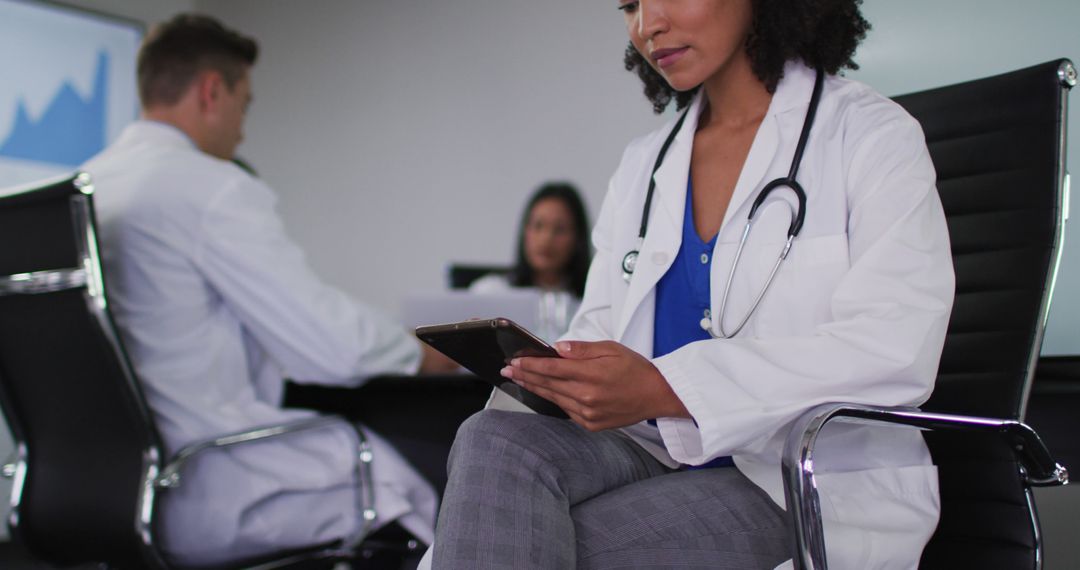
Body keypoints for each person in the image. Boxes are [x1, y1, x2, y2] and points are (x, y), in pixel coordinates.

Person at [427, 0, 953, 568]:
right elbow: (599, 325)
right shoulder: (643, 165)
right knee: (494, 438)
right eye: (629, 5)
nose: (647, 25)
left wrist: (667, 388)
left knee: (534, 539)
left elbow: (894, 349)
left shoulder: (870, 136)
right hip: (655, 447)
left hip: (799, 477)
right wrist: (564, 373)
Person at [81, 13, 455, 567]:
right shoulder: (207, 187)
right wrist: (423, 351)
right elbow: (333, 347)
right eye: (244, 104)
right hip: (208, 486)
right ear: (213, 91)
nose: (242, 128)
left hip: (103, 492)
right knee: (448, 477)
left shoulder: (85, 187)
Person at [470, 182, 592, 298]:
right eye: (538, 226)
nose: (546, 239)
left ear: (578, 238)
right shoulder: (492, 292)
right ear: (525, 230)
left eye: (560, 229)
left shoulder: (591, 300)